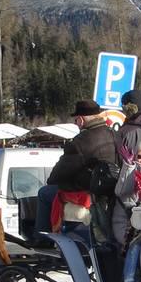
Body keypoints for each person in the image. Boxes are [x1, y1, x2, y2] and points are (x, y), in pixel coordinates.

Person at [40, 99, 119, 233]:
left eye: (76, 120)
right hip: (113, 191)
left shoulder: (81, 142)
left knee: (44, 192)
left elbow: (58, 173)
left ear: (81, 120)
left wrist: (53, 180)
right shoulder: (115, 135)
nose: (76, 124)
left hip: (89, 191)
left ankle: (42, 238)